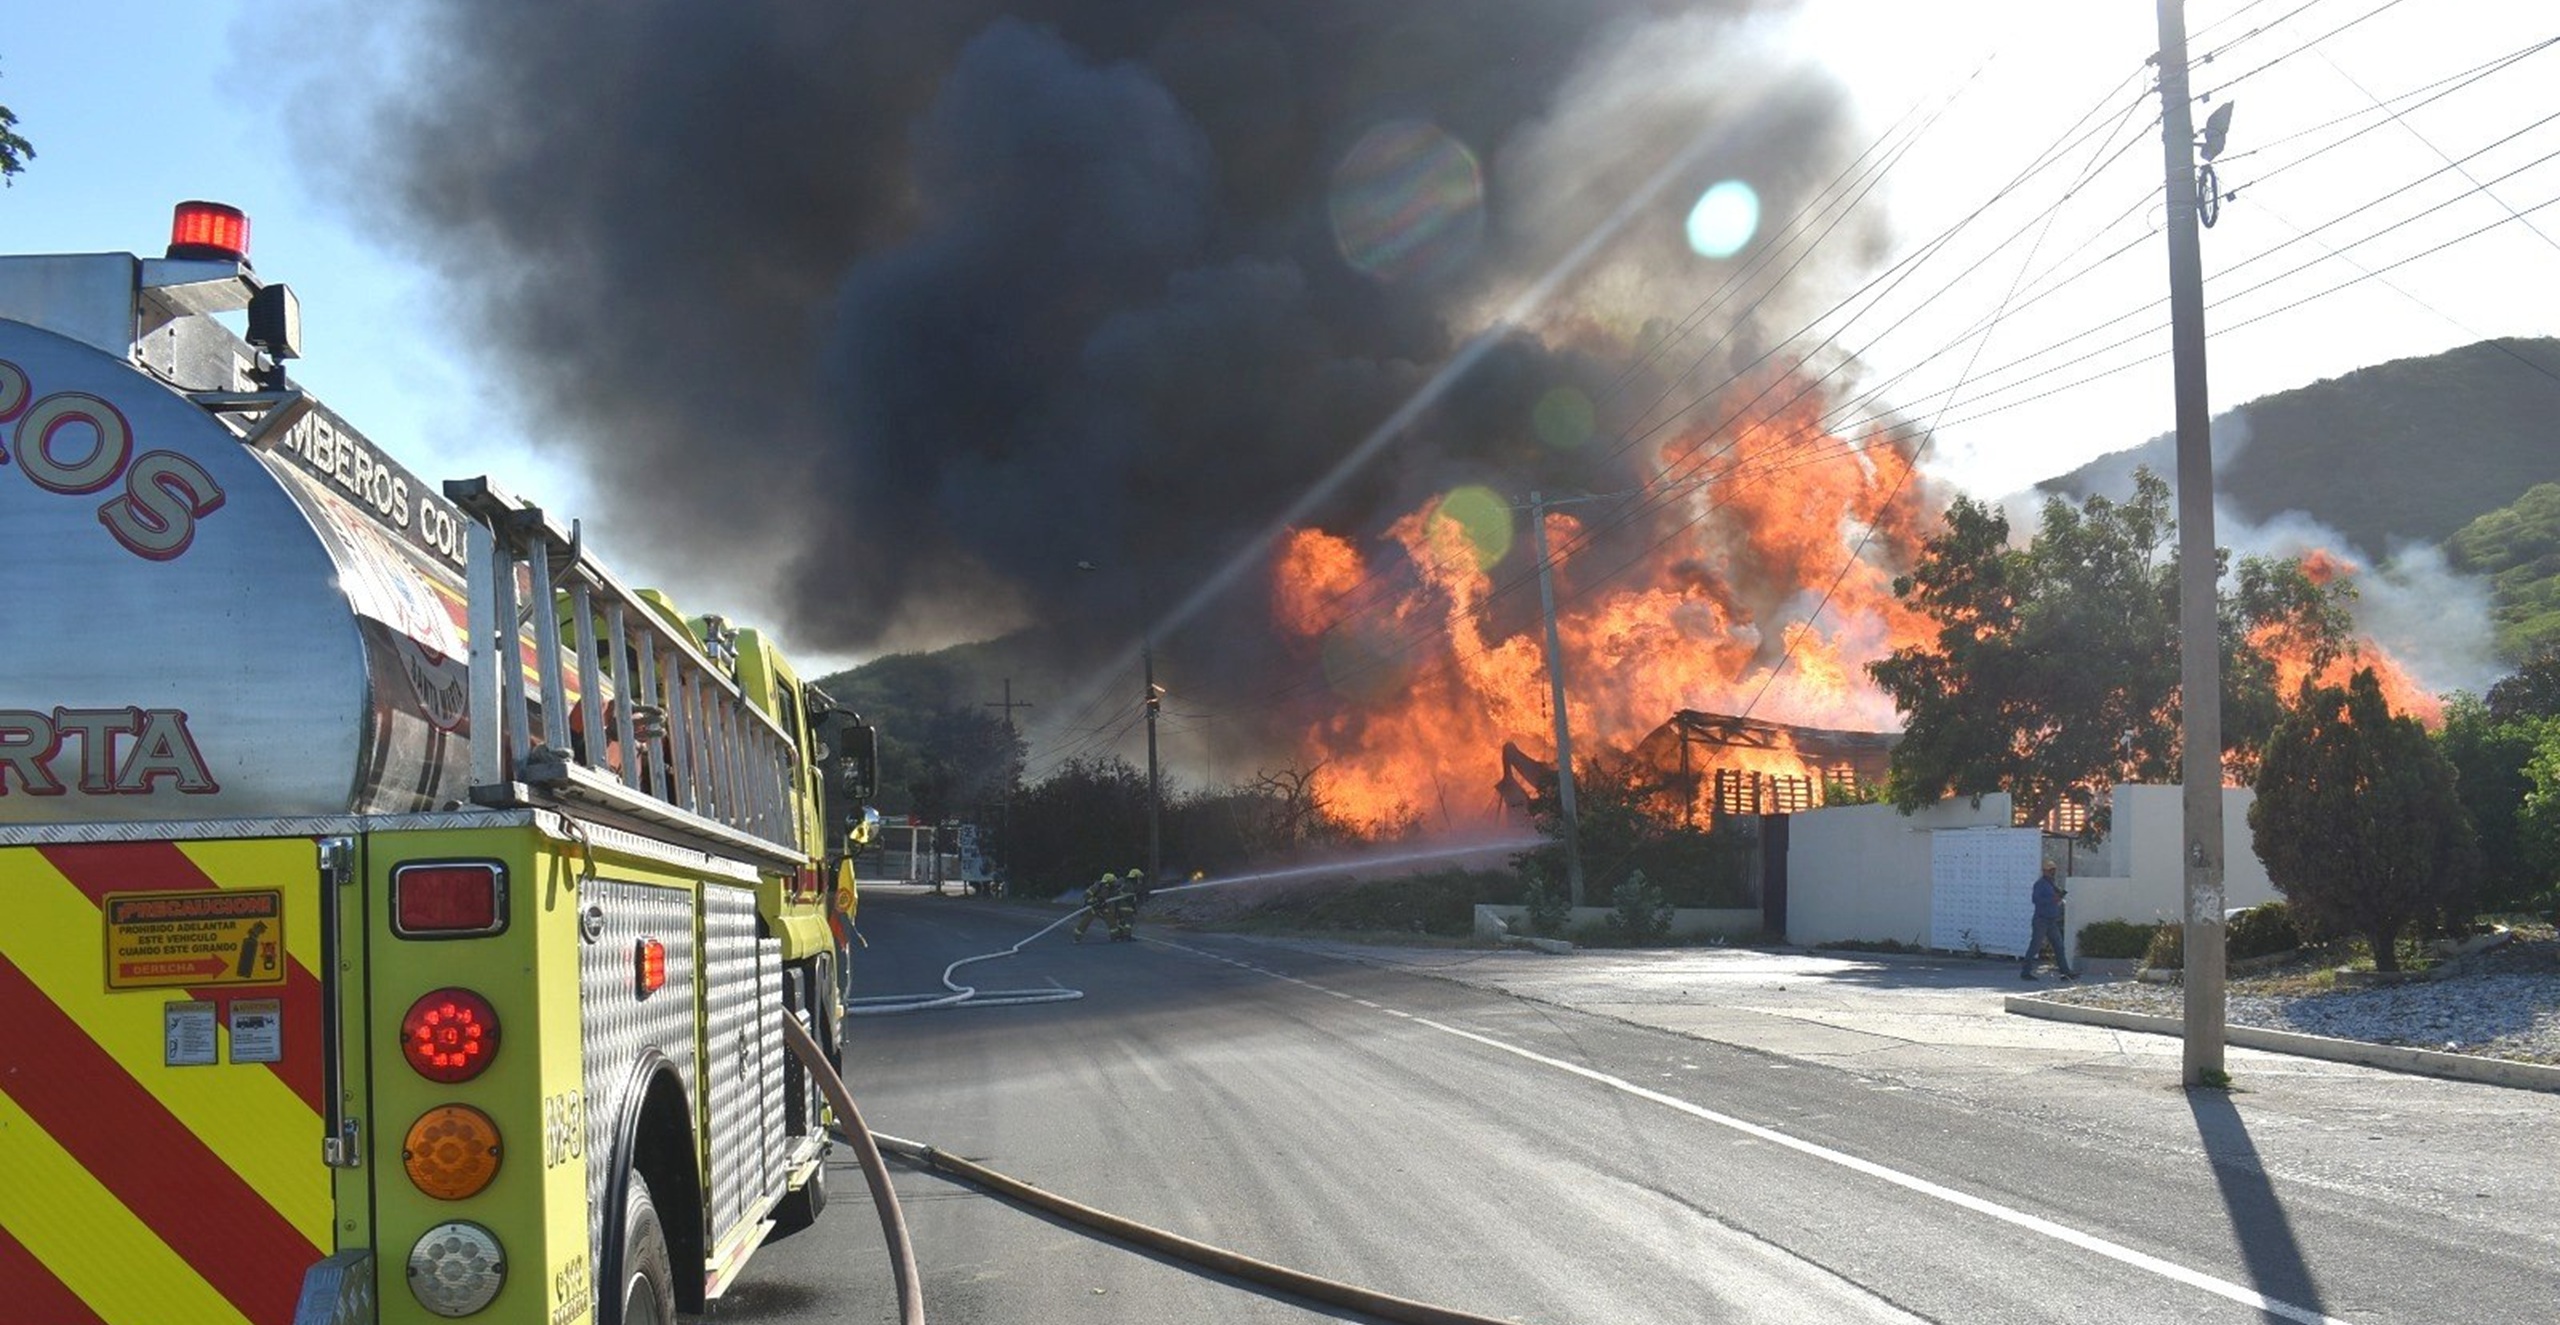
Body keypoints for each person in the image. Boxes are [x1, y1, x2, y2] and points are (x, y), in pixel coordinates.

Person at [2021, 859, 2078, 980]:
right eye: (2051, 870)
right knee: (2035, 946)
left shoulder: (2051, 884)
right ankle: (2025, 972)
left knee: (2059, 946)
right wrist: (2053, 899)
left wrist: (2057, 898)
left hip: (2051, 920)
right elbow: (2036, 900)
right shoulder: (2040, 884)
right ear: (2045, 871)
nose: (2053, 872)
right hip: (2041, 920)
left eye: (2054, 870)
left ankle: (2065, 972)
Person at [1074, 871, 1120, 943]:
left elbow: (1114, 896)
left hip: (1104, 907)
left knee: (1112, 921)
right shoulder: (1097, 886)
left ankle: (1115, 937)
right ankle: (1077, 938)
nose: (1114, 883)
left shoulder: (1112, 888)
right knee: (1085, 922)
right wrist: (1093, 901)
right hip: (1093, 907)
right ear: (1109, 881)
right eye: (1113, 882)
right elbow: (1086, 895)